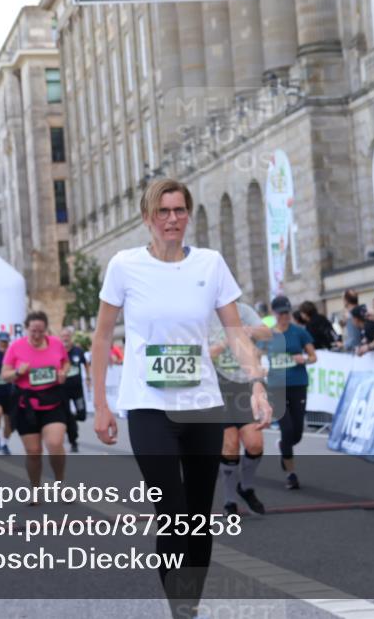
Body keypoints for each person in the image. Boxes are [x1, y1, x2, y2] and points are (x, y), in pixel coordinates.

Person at [90, 178, 272, 619]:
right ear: (147, 218)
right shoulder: (124, 266)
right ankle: (181, 608)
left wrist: (258, 384)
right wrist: (101, 403)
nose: (172, 219)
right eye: (163, 211)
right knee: (171, 509)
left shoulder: (210, 264)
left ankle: (188, 603)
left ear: (188, 214)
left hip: (203, 406)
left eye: (179, 210)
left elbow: (235, 331)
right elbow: (100, 337)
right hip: (149, 406)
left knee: (196, 515)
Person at [209, 301, 273, 516]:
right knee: (230, 445)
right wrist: (227, 341)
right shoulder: (202, 313)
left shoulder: (242, 310)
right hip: (218, 386)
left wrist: (248, 330)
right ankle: (229, 500)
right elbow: (201, 355)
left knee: (255, 444)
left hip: (245, 384)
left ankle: (245, 487)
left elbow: (267, 333)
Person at [1, 311, 71, 493]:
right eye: (33, 331)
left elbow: (66, 363)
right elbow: (4, 375)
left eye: (41, 331)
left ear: (46, 329)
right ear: (26, 329)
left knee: (55, 443)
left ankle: (60, 482)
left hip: (53, 400)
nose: (37, 335)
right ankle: (34, 488)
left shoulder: (56, 343)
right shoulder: (15, 347)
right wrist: (18, 372)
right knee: (33, 452)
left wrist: (63, 373)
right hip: (27, 404)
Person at [264, 295, 315, 490]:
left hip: (298, 384)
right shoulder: (267, 335)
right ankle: (291, 474)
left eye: (287, 312)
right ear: (274, 314)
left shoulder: (299, 333)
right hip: (276, 387)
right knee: (286, 429)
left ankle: (284, 446)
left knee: (296, 434)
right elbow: (253, 354)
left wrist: (304, 358)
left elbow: (313, 356)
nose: (285, 316)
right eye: (281, 313)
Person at [59, 326, 89, 453]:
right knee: (67, 417)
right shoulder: (58, 351)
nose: (65, 338)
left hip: (77, 389)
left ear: (71, 337)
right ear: (61, 338)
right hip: (63, 390)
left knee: (82, 415)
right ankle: (73, 442)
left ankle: (72, 419)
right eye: (63, 336)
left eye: (67, 336)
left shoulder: (78, 351)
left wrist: (88, 378)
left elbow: (86, 363)